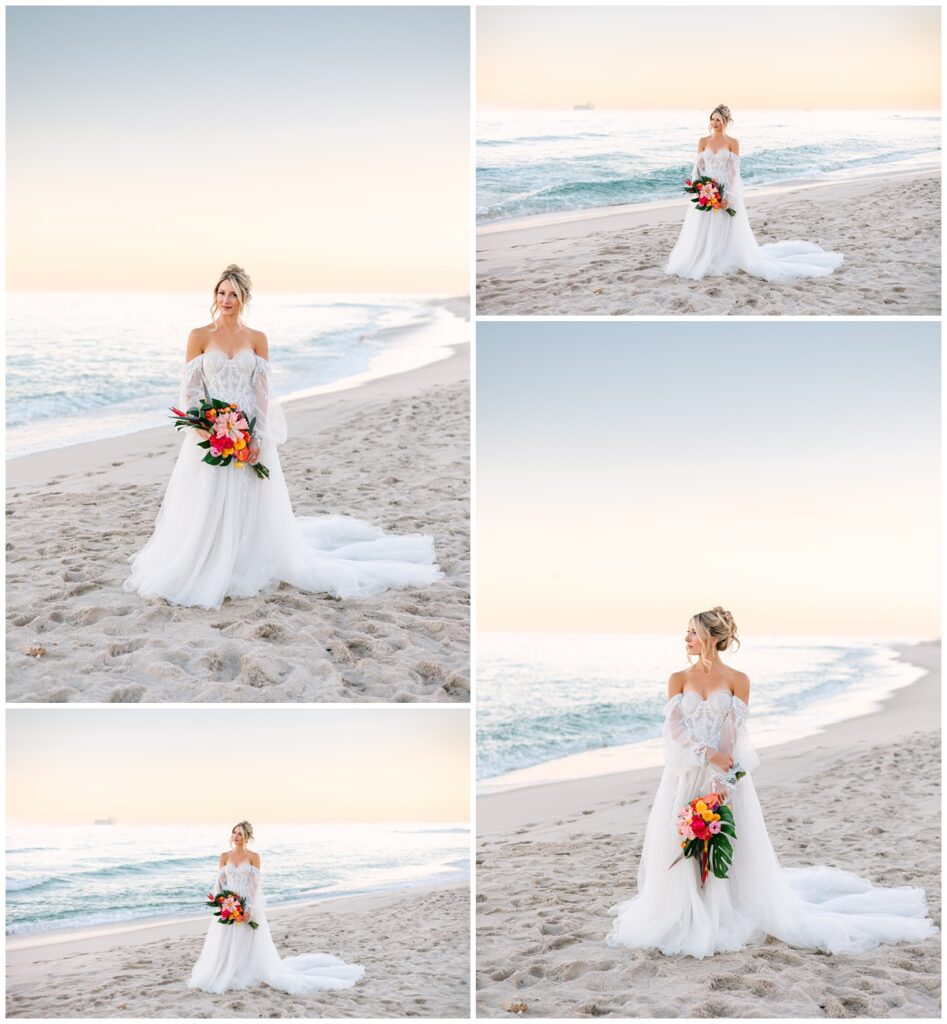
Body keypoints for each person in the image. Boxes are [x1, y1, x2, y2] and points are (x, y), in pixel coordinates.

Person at [606, 607, 936, 957]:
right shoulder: (678, 678)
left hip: (724, 772)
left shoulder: (738, 679)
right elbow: (674, 731)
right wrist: (706, 754)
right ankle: (685, 911)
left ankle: (722, 910)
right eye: (685, 632)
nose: (685, 638)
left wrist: (723, 776)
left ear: (712, 638)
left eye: (692, 632)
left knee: (725, 840)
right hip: (686, 773)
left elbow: (734, 731)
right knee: (681, 839)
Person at [124, 264, 443, 609]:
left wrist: (257, 435)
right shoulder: (199, 335)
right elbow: (190, 392)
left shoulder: (257, 338)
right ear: (214, 296)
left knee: (248, 498)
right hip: (211, 432)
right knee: (207, 498)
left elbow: (261, 393)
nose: (226, 299)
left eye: (233, 293)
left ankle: (243, 558)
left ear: (244, 297)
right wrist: (209, 428)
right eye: (221, 293)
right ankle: (207, 559)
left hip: (247, 431)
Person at [665, 105, 843, 281]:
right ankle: (704, 256)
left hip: (724, 189)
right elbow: (698, 168)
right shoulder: (703, 141)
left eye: (718, 119)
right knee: (703, 226)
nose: (714, 122)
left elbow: (733, 173)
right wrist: (700, 187)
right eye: (712, 119)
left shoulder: (732, 143)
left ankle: (721, 257)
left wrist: (727, 195)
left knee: (723, 225)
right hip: (706, 190)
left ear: (725, 121)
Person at [187, 821, 364, 994]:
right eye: (234, 832)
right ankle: (227, 970)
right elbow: (220, 882)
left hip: (245, 903)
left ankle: (245, 970)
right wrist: (222, 901)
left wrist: (248, 907)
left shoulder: (253, 857)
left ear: (247, 836)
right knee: (226, 940)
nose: (236, 836)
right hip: (229, 904)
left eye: (240, 833)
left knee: (246, 938)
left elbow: (254, 885)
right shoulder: (224, 856)